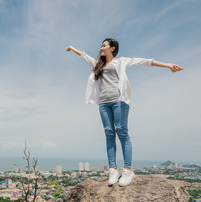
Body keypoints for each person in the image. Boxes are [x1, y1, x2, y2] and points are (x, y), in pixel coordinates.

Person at [66, 38, 183, 187]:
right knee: (109, 133)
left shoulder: (121, 62)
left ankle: (128, 170)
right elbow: (84, 56)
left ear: (112, 48)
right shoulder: (98, 64)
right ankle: (113, 170)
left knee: (122, 132)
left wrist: (168, 65)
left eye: (104, 46)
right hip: (103, 103)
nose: (101, 48)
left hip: (119, 101)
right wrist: (72, 48)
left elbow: (146, 61)